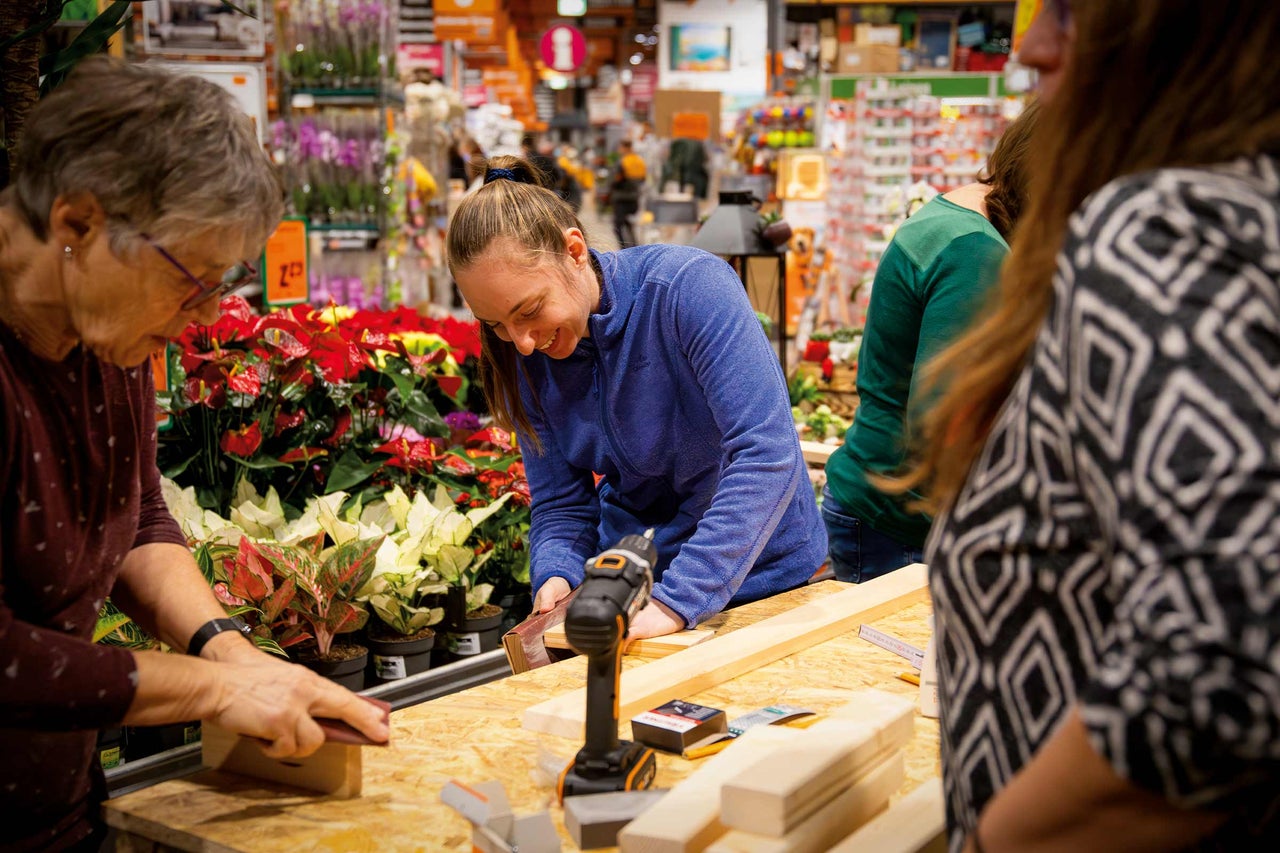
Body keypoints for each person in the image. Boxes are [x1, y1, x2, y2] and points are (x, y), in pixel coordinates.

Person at [898, 1, 1280, 849]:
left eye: (1070, 12)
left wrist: (998, 841)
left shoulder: (1163, 229)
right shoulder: (1248, 211)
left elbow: (1227, 667)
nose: (1029, 45)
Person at [0, 58, 389, 851]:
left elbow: (136, 511)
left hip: (56, 813)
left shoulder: (105, 334)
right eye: (192, 279)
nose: (206, 315)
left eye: (225, 282)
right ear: (76, 225)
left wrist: (234, 652)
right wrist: (212, 689)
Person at [446, 156, 826, 640]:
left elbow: (766, 453)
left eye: (529, 310)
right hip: (639, 591)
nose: (520, 341)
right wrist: (557, 574)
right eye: (496, 324)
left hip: (764, 582)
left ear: (574, 250)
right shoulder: (525, 352)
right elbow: (562, 503)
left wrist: (677, 602)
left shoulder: (687, 289)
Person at [821, 101, 1039, 583]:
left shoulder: (953, 215)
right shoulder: (975, 252)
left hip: (879, 503)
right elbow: (946, 421)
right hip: (901, 526)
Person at [610, 139, 646, 249]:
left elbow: (616, 179)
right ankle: (635, 247)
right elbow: (643, 179)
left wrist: (610, 188)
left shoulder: (622, 162)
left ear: (624, 148)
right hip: (634, 198)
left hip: (621, 198)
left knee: (617, 226)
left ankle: (624, 249)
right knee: (629, 223)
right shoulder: (640, 161)